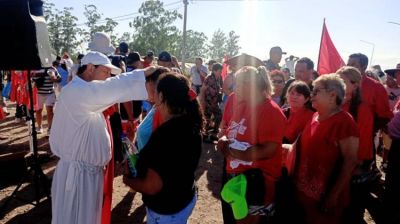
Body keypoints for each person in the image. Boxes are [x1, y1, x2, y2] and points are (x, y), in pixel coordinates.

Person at [50, 51, 154, 224]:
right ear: (90, 68)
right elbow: (112, 87)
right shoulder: (76, 92)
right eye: (105, 72)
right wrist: (142, 74)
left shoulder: (84, 93)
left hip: (87, 173)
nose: (107, 78)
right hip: (78, 176)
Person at [123, 72, 203, 224]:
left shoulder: (165, 135)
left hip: (167, 208)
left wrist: (128, 180)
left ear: (161, 96)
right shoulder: (190, 123)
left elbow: (152, 186)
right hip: (183, 197)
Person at [217, 66, 286, 224]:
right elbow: (229, 129)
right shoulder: (240, 102)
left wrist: (234, 152)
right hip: (236, 177)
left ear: (251, 86)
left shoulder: (271, 111)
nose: (235, 88)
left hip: (257, 181)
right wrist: (223, 139)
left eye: (238, 84)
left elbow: (269, 149)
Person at [294, 74, 359, 224]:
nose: (312, 95)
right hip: (304, 193)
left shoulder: (344, 122)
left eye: (317, 91)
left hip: (325, 197)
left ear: (332, 95)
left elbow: (350, 161)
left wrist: (333, 196)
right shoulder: (315, 116)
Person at [336, 66, 375, 223]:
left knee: (350, 211)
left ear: (355, 85)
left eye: (343, 82)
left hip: (353, 167)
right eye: (337, 81)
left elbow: (364, 141)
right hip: (336, 163)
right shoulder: (335, 103)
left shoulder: (362, 109)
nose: (339, 86)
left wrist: (354, 166)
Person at [347, 53, 393, 130]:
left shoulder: (376, 87)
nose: (348, 67)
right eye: (348, 64)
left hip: (364, 137)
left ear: (364, 66)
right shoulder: (341, 84)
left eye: (353, 64)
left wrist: (370, 129)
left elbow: (384, 116)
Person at [135, 67, 170, 151]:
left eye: (145, 82)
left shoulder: (164, 112)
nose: (143, 88)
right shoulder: (156, 107)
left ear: (153, 84)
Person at [32, 66, 61, 134]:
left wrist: (54, 79)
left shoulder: (52, 68)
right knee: (38, 111)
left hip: (50, 93)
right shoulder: (36, 69)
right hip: (38, 94)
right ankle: (39, 127)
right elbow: (32, 80)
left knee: (50, 111)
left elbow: (60, 79)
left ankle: (50, 128)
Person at [200, 63, 223, 140]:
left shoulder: (218, 78)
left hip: (214, 103)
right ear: (214, 71)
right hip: (208, 102)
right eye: (219, 71)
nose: (220, 72)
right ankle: (204, 135)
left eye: (221, 71)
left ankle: (214, 133)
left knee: (219, 116)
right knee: (207, 119)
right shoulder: (209, 78)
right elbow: (202, 90)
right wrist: (202, 101)